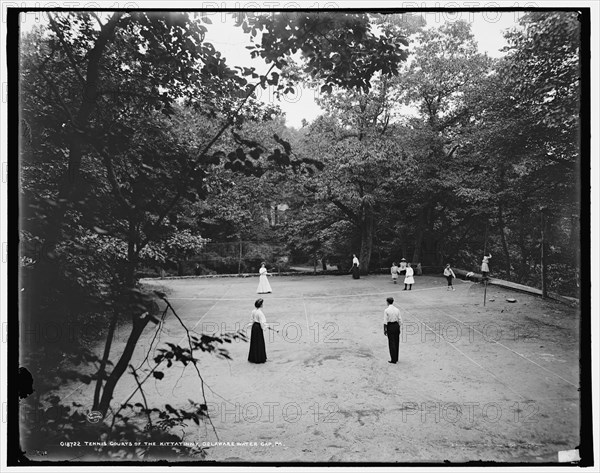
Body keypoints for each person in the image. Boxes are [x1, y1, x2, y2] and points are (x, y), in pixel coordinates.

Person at [248, 298, 269, 363]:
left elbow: (251, 320)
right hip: (258, 327)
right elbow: (262, 322)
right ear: (260, 305)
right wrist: (266, 326)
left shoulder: (253, 311)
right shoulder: (260, 313)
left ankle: (253, 358)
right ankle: (260, 358)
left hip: (254, 327)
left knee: (254, 342)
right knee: (259, 342)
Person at [383, 297, 402, 364]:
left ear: (387, 302)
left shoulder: (386, 310)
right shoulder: (397, 309)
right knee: (397, 341)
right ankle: (396, 358)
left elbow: (385, 321)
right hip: (396, 325)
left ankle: (393, 359)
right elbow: (400, 320)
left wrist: (385, 330)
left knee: (391, 342)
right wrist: (398, 327)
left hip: (390, 326)